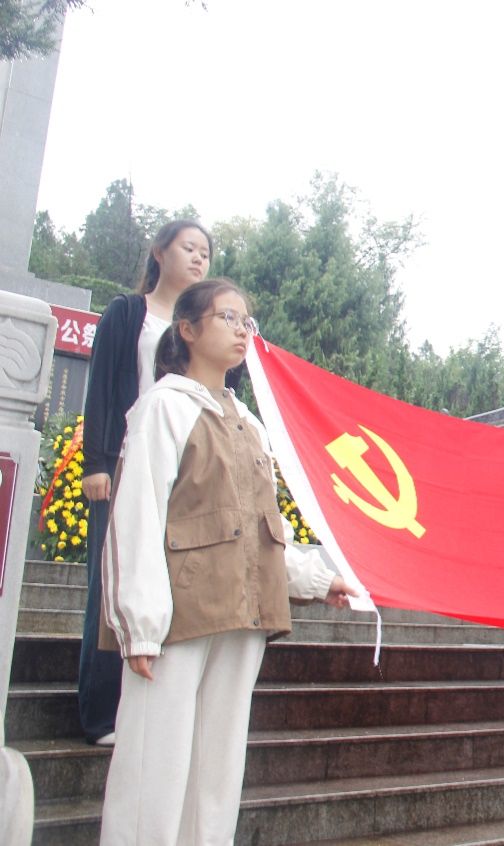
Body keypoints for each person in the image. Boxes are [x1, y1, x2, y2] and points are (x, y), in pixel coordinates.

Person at [97, 278, 358, 845]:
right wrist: (139, 624)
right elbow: (137, 514)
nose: (242, 330)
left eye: (247, 321)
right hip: (178, 613)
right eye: (228, 317)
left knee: (217, 771)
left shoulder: (250, 424)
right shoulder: (163, 407)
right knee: (153, 763)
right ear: (187, 330)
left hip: (243, 613)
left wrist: (317, 580)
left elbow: (264, 528)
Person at [78, 219, 219, 746]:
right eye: (189, 247)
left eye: (206, 252)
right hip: (122, 464)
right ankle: (100, 714)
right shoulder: (126, 313)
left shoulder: (196, 330)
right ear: (159, 252)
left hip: (178, 473)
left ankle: (147, 709)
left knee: (165, 583)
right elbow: (100, 387)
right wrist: (96, 463)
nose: (199, 258)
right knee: (112, 584)